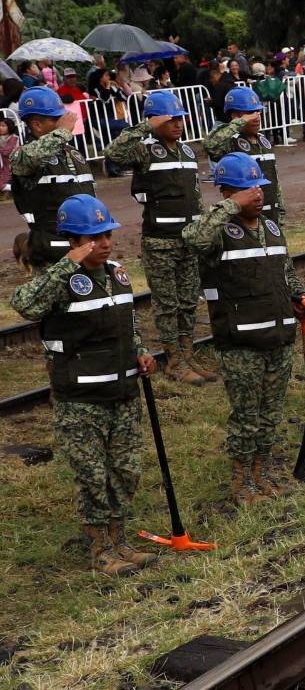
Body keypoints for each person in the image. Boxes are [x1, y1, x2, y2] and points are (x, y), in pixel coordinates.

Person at [11, 194, 158, 575]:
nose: (105, 244)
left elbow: (128, 324)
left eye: (107, 235)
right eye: (93, 238)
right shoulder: (57, 281)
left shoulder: (117, 274)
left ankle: (120, 539)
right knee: (92, 477)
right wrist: (64, 267)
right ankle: (100, 550)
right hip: (80, 401)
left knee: (125, 471)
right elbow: (24, 305)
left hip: (123, 393)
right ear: (73, 241)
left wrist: (139, 351)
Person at [184, 153, 305, 502]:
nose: (257, 193)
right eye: (247, 188)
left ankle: (262, 473)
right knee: (246, 417)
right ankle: (242, 481)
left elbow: (286, 270)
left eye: (259, 186)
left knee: (270, 414)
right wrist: (228, 206)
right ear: (226, 193)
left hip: (280, 336)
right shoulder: (216, 231)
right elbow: (192, 238)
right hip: (241, 343)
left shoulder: (271, 227)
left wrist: (299, 293)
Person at [104, 91, 210, 385]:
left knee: (188, 300)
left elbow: (196, 197)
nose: (177, 124)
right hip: (160, 243)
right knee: (167, 304)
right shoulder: (144, 150)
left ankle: (188, 354)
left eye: (180, 119)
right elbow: (114, 154)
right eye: (170, 119)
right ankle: (174, 361)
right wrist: (144, 127)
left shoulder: (188, 152)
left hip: (188, 242)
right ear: (154, 121)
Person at [10, 88, 93, 272]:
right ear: (37, 125)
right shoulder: (23, 156)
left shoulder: (73, 154)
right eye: (56, 119)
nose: (64, 123)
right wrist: (63, 132)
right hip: (51, 255)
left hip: (86, 248)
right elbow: (34, 156)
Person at [202, 86, 286, 223]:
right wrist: (240, 122)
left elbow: (273, 178)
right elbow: (210, 145)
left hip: (270, 214)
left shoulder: (263, 141)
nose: (256, 116)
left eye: (257, 111)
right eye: (250, 112)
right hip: (244, 216)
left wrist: (280, 208)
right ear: (234, 116)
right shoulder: (230, 140)